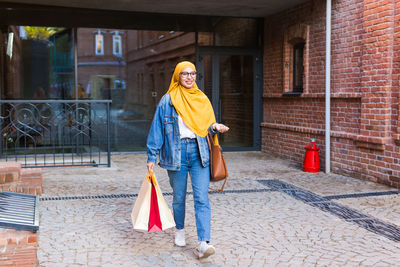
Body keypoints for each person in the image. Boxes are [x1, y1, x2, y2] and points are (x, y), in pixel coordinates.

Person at [146, 61, 229, 259]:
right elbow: (157, 129)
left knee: (202, 198)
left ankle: (204, 242)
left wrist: (215, 127)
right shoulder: (168, 100)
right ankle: (180, 231)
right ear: (177, 76)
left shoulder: (202, 99)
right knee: (179, 197)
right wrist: (151, 155)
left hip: (199, 152)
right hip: (176, 153)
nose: (189, 77)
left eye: (192, 74)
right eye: (185, 74)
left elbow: (206, 126)